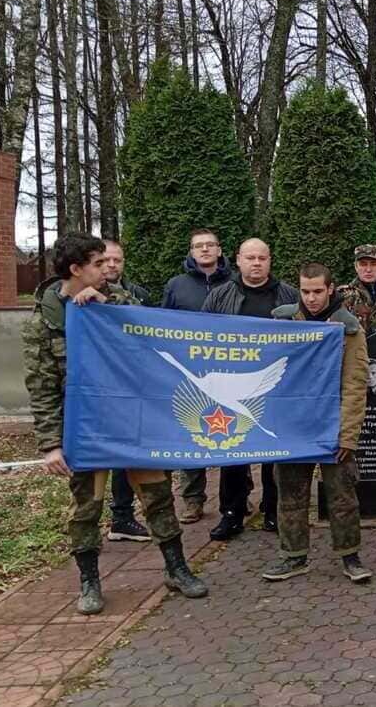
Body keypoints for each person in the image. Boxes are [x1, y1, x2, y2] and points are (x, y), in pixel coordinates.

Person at [22, 232, 207, 615]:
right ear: (76, 269)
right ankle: (89, 582)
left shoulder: (117, 297)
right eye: (97, 263)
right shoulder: (45, 321)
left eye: (108, 262)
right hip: (85, 428)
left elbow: (146, 326)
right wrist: (50, 444)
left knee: (157, 495)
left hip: (131, 421)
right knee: (86, 507)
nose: (107, 269)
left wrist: (106, 306)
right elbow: (41, 388)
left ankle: (177, 568)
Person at [262, 263, 372, 583]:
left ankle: (350, 555)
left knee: (342, 496)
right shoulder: (280, 321)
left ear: (331, 289)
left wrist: (348, 437)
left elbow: (355, 384)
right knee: (290, 493)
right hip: (292, 427)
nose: (310, 298)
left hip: (332, 426)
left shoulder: (348, 328)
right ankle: (293, 556)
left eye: (317, 292)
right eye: (305, 291)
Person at [201, 238, 300, 541]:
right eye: (250, 258)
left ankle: (273, 510)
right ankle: (231, 513)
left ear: (270, 260)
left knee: (275, 451)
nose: (256, 263)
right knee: (232, 449)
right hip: (232, 385)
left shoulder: (289, 296)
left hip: (276, 387)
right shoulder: (219, 296)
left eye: (262, 258)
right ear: (238, 260)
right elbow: (201, 338)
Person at [162, 228, 233, 523]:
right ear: (191, 252)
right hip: (190, 373)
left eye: (209, 245)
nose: (204, 250)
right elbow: (163, 325)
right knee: (192, 433)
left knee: (235, 432)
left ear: (219, 250)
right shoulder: (176, 285)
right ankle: (192, 499)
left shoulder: (234, 282)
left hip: (229, 369)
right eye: (198, 246)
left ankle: (236, 497)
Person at [97, 239, 152, 543]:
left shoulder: (137, 296)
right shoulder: (79, 298)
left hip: (132, 386)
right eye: (106, 260)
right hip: (99, 388)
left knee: (129, 453)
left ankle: (123, 517)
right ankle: (96, 529)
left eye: (117, 260)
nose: (112, 266)